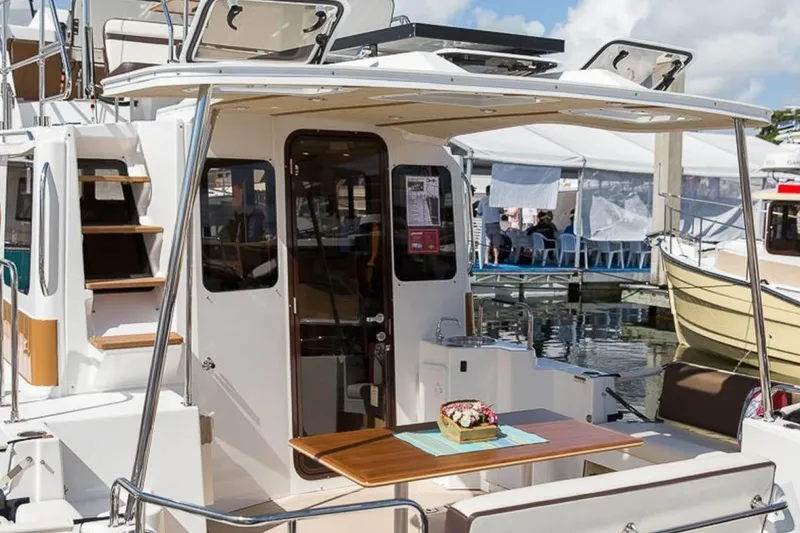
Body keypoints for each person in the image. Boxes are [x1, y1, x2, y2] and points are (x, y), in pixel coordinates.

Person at [477, 185, 503, 265]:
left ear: (486, 191)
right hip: (495, 224)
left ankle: (486, 260)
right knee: (496, 243)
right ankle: (496, 260)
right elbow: (501, 211)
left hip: (486, 224)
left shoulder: (483, 200)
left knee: (487, 243)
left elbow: (479, 212)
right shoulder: (497, 200)